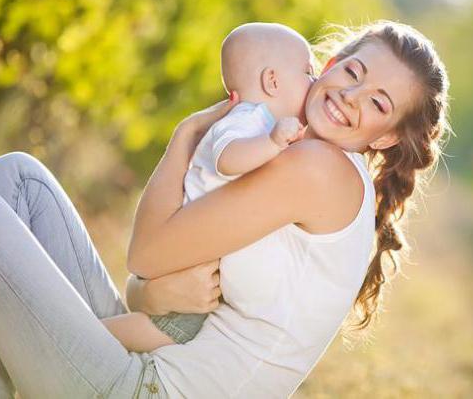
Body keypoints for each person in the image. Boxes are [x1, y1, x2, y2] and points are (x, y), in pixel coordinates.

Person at [0, 20, 450, 398]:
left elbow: (146, 253)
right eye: (354, 72)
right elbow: (154, 292)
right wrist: (149, 292)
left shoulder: (319, 169)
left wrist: (184, 137)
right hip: (146, 360)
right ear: (331, 64)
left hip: (149, 390)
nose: (352, 96)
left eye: (380, 104)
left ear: (386, 137)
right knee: (18, 180)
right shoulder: (285, 151)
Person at [102, 22, 315, 352]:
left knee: (168, 327)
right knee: (171, 329)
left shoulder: (260, 123)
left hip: (185, 248)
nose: (313, 83)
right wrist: (273, 143)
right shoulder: (248, 119)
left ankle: (86, 336)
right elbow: (227, 158)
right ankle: (87, 337)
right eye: (308, 73)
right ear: (272, 80)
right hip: (184, 257)